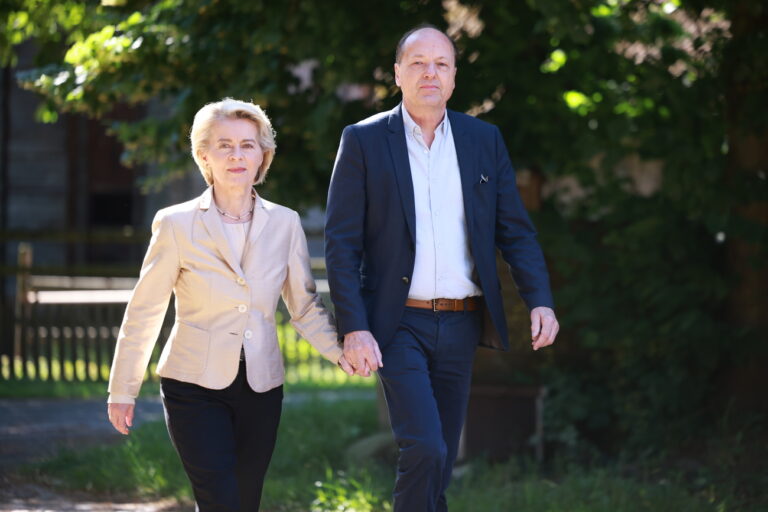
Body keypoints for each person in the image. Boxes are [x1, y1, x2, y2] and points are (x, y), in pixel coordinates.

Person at [324, 24, 559, 511]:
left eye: (441, 64)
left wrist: (540, 299)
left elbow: (514, 230)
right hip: (396, 322)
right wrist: (354, 327)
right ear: (398, 74)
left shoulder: (483, 140)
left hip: (461, 322)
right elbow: (341, 243)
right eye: (418, 63)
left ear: (453, 78)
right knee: (425, 447)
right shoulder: (364, 140)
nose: (429, 72)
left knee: (443, 457)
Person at [107, 98, 353, 511]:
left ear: (263, 155)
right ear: (205, 155)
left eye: (247, 145)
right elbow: (146, 310)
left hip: (262, 385)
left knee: (245, 499)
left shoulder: (286, 223)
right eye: (225, 145)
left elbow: (304, 306)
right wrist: (122, 389)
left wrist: (342, 353)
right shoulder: (175, 223)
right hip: (192, 386)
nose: (237, 155)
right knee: (220, 499)